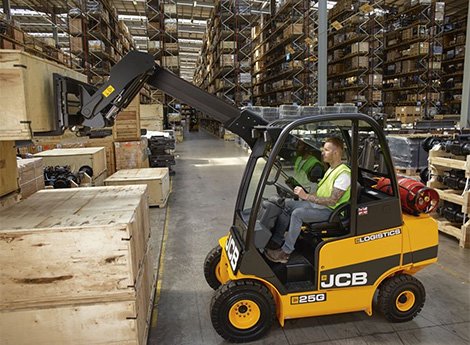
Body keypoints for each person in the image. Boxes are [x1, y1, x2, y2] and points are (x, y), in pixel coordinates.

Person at [265, 137, 351, 264]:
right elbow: (321, 192)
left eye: (326, 150)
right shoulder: (331, 169)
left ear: (336, 153)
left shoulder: (343, 174)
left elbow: (332, 201)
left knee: (297, 214)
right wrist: (305, 194)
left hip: (331, 211)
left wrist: (306, 197)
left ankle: (285, 253)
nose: (322, 152)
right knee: (286, 204)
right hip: (318, 205)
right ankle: (276, 241)